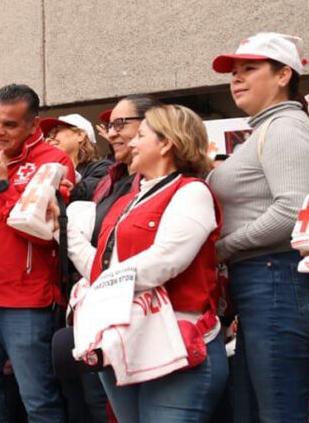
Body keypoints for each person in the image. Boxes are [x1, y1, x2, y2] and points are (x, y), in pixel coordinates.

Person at [66, 105, 227, 421]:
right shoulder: (127, 200)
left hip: (177, 345)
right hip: (126, 340)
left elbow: (166, 260)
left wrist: (107, 285)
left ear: (166, 142)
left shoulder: (191, 191)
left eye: (140, 135)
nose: (130, 142)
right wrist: (66, 232)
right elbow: (99, 268)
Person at [207, 33, 309, 422]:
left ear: (283, 75)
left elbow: (292, 211)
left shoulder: (285, 128)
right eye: (234, 71)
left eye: (250, 69)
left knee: (277, 410)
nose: (237, 78)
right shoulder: (267, 130)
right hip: (264, 280)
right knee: (254, 410)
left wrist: (222, 249)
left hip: (276, 276)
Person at [0, 84, 74, 423]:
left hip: (27, 302)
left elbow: (45, 232)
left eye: (9, 124)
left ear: (33, 126)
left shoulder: (54, 163)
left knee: (38, 399)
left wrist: (2, 185)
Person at [40, 113, 113, 202]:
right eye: (47, 136)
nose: (49, 139)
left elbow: (91, 192)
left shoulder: (103, 167)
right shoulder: (40, 170)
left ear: (80, 135)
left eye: (55, 132)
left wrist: (65, 188)